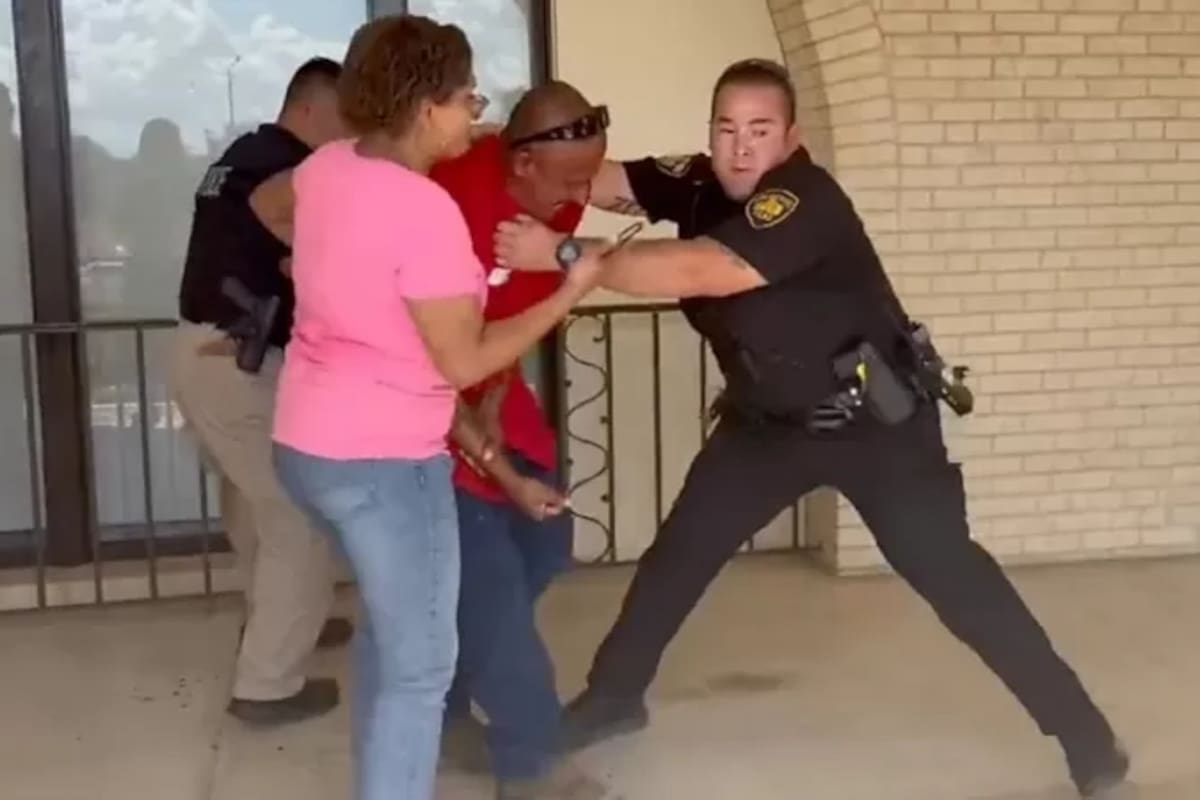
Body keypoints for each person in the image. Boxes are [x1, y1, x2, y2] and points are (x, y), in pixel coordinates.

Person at [494, 59, 1131, 799]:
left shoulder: (805, 199)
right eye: (726, 128)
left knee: (959, 585)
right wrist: (496, 142)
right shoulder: (697, 181)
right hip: (765, 428)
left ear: (791, 137)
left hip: (875, 430)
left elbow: (709, 269)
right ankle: (614, 697)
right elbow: (597, 175)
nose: (740, 148)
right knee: (679, 556)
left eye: (759, 131)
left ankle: (1084, 734)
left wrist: (566, 256)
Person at [247, 16, 607, 800]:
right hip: (385, 459)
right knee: (421, 669)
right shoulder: (426, 211)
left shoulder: (332, 166)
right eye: (465, 94)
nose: (474, 107)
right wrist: (574, 289)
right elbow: (469, 360)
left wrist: (330, 275)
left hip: (307, 442)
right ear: (426, 109)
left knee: (395, 633)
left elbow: (269, 205)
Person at [427, 80, 609, 798]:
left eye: (590, 177)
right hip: (419, 413)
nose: (580, 194)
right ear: (522, 163)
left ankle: (441, 706)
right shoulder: (447, 200)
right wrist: (499, 470)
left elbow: (521, 322)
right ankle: (529, 765)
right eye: (571, 179)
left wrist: (498, 402)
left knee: (544, 548)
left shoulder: (554, 206)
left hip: (493, 401)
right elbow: (429, 370)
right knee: (491, 584)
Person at [171, 56, 352, 726]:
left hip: (206, 349)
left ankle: (283, 621)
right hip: (234, 358)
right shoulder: (280, 163)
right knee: (296, 517)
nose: (348, 138)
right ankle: (268, 684)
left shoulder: (241, 155)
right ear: (308, 109)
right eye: (343, 119)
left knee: (253, 507)